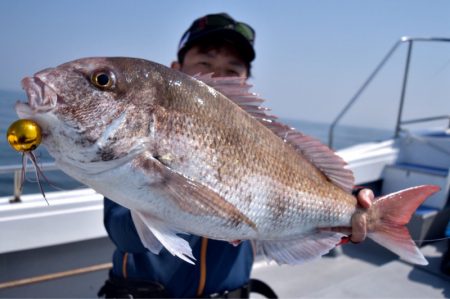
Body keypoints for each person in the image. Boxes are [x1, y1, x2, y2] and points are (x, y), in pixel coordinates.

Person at [98, 13, 373, 298]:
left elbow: (298, 184)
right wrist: (173, 196)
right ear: (175, 71)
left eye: (232, 69)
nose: (216, 77)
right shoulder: (137, 135)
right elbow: (123, 234)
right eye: (204, 64)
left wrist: (349, 204)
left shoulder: (263, 140)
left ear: (245, 81)